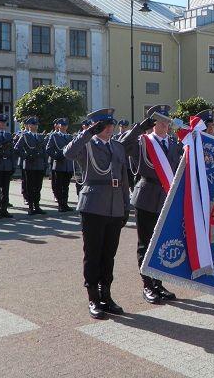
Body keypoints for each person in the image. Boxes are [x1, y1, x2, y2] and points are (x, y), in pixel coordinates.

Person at [63, 108, 131, 319]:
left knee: (109, 255)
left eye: (111, 125)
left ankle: (106, 296)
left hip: (114, 207)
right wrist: (87, 133)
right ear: (96, 126)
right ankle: (93, 297)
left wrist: (126, 206)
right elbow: (68, 153)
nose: (110, 129)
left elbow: (124, 178)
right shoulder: (87, 146)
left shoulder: (117, 147)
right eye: (105, 126)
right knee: (93, 254)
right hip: (93, 206)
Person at [117, 105, 177, 304]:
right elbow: (121, 147)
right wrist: (138, 129)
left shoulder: (173, 143)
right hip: (146, 196)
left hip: (166, 197)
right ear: (152, 124)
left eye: (167, 121)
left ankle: (159, 283)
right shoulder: (142, 142)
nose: (165, 125)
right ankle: (147, 285)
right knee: (146, 243)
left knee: (160, 243)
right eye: (161, 121)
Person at [14, 117, 47, 215]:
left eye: (36, 124)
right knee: (30, 186)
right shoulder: (25, 136)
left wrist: (45, 163)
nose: (35, 126)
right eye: (33, 124)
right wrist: (26, 156)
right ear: (29, 125)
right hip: (29, 164)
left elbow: (44, 151)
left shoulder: (40, 137)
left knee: (38, 186)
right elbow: (17, 148)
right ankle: (31, 207)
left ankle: (37, 206)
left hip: (39, 165)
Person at [46, 118, 74, 212]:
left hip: (68, 165)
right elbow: (48, 149)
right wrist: (56, 157)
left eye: (65, 125)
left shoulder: (70, 137)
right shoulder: (54, 136)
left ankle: (65, 204)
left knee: (66, 186)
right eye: (62, 125)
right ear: (58, 126)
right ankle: (60, 204)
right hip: (59, 164)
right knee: (59, 186)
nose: (64, 127)